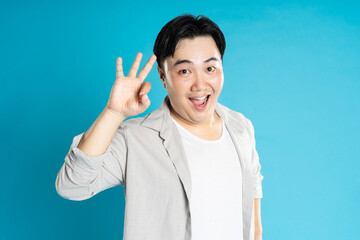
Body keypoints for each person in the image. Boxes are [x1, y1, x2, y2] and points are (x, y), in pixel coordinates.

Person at [55, 14, 264, 240]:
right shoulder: (136, 138)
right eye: (184, 71)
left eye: (210, 68)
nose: (200, 84)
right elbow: (72, 186)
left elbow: (253, 225)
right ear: (163, 77)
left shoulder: (241, 128)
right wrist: (113, 113)